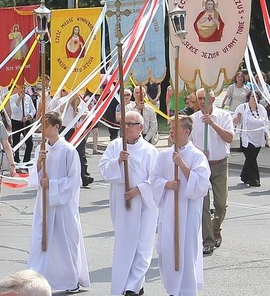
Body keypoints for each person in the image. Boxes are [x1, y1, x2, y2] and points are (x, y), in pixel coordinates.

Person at [26, 111, 90, 293]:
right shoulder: (42, 149)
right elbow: (34, 175)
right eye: (42, 126)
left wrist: (52, 185)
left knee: (64, 241)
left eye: (47, 126)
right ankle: (40, 277)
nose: (43, 129)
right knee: (41, 238)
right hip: (44, 203)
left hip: (62, 205)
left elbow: (74, 181)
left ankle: (69, 280)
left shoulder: (68, 150)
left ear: (56, 127)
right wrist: (39, 164)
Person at [149, 116, 211, 296]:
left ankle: (186, 290)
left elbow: (201, 185)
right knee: (167, 249)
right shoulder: (164, 155)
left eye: (175, 128)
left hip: (189, 212)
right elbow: (154, 179)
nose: (171, 131)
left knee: (186, 250)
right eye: (171, 128)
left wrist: (182, 165)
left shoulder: (197, 156)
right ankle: (172, 289)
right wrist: (167, 184)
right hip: (169, 211)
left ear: (187, 132)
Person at [98, 110, 158, 296]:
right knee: (125, 245)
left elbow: (156, 178)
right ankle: (122, 286)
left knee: (142, 245)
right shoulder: (116, 146)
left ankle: (134, 285)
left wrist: (138, 190)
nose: (127, 127)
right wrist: (118, 161)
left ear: (141, 128)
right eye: (124, 124)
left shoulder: (150, 151)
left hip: (144, 204)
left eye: (131, 124)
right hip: (121, 203)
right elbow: (104, 170)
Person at [189, 89, 233, 255]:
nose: (201, 102)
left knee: (221, 204)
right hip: (201, 166)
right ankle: (207, 240)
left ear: (213, 99)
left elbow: (229, 138)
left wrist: (212, 124)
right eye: (199, 99)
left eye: (204, 99)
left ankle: (216, 229)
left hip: (220, 165)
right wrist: (200, 152)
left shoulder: (223, 116)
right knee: (203, 205)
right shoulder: (193, 120)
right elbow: (189, 144)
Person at [233, 89, 269, 187]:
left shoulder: (261, 109)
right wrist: (237, 119)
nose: (255, 99)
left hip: (258, 137)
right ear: (249, 98)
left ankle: (245, 176)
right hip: (246, 138)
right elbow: (233, 121)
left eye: (257, 97)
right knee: (251, 158)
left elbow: (266, 122)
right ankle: (255, 179)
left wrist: (266, 135)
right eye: (253, 96)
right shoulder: (242, 107)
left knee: (251, 158)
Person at [9, 84, 35, 165]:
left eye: (24, 88)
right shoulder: (13, 98)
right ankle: (16, 161)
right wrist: (20, 98)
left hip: (26, 122)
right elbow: (14, 110)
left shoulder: (28, 97)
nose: (22, 90)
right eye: (21, 88)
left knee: (29, 143)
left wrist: (28, 117)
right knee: (16, 142)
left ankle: (26, 161)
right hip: (16, 122)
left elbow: (33, 110)